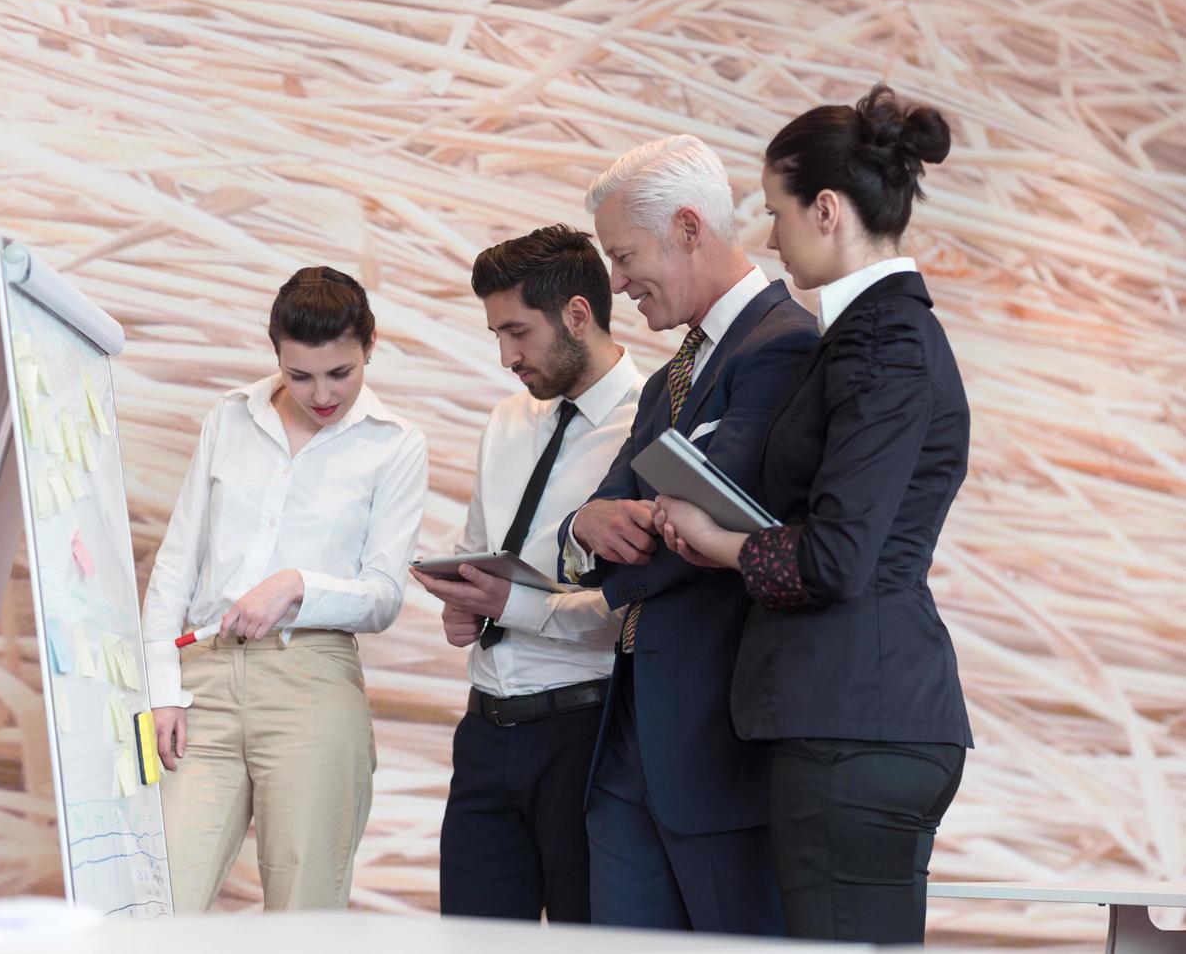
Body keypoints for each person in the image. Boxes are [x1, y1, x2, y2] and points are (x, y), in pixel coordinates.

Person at [653, 84, 973, 943]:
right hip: (863, 715)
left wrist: (716, 539)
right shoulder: (880, 334)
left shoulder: (882, 341)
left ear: (825, 210)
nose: (767, 237)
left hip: (852, 719)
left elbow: (833, 559)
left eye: (774, 212)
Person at [556, 135, 818, 933]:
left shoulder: (784, 347)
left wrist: (624, 537)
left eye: (624, 254)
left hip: (713, 742)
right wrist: (582, 525)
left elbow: (715, 521)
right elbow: (610, 508)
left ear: (688, 227)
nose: (614, 281)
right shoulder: (679, 368)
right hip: (632, 735)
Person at [140, 266, 428, 913]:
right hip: (203, 685)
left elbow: (382, 596)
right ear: (276, 356)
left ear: (368, 348)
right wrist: (162, 690)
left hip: (311, 686)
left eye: (340, 373)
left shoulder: (396, 445)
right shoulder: (229, 419)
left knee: (303, 918)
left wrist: (298, 586)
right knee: (157, 904)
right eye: (300, 375)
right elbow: (176, 563)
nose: (321, 393)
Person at [410, 224, 643, 923]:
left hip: (587, 730)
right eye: (495, 334)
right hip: (484, 730)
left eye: (517, 331)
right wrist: (464, 600)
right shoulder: (508, 418)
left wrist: (513, 604)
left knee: (585, 935)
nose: (507, 356)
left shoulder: (651, 421)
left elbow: (638, 602)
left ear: (577, 314)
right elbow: (481, 544)